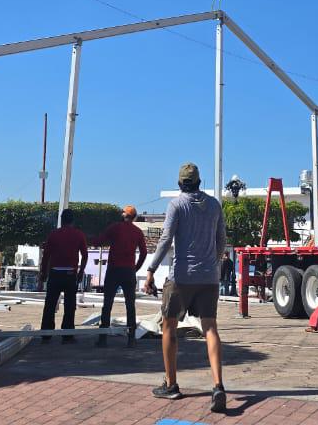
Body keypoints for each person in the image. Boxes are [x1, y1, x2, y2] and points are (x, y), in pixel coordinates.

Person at [143, 163, 228, 414]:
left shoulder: (176, 205)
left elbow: (166, 239)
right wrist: (213, 263)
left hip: (181, 277)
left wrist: (151, 270)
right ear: (199, 182)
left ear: (180, 183)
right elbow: (221, 239)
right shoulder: (214, 205)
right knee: (210, 328)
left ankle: (171, 384)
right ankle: (218, 385)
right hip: (209, 278)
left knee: (168, 326)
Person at [95, 204, 148, 348]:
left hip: (113, 270)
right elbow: (143, 253)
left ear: (124, 215)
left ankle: (103, 338)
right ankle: (131, 338)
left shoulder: (115, 227)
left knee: (107, 304)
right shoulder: (137, 232)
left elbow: (99, 241)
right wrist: (136, 268)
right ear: (134, 217)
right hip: (129, 271)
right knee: (130, 305)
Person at [39, 208, 87, 343]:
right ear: (73, 221)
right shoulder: (79, 234)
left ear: (61, 220)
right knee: (70, 306)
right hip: (70, 274)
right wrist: (81, 272)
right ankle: (67, 335)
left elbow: (46, 256)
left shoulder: (53, 234)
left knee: (50, 305)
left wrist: (43, 273)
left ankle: (46, 335)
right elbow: (85, 255)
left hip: (55, 273)